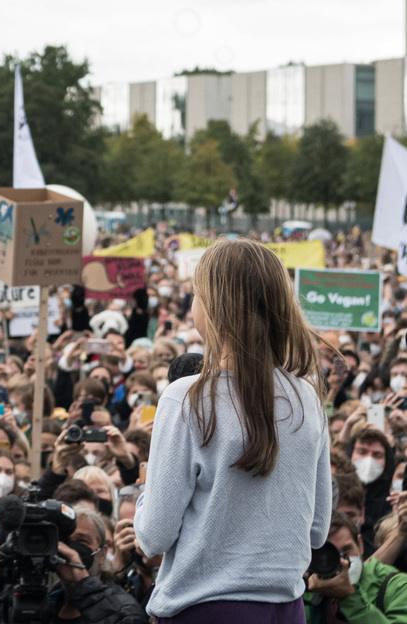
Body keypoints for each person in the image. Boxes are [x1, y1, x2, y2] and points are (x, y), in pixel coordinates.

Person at [134, 238, 332, 621]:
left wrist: (146, 494)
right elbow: (317, 529)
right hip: (286, 610)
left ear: (213, 307)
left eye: (195, 294)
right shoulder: (306, 397)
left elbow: (154, 535)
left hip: (204, 608)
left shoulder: (187, 397)